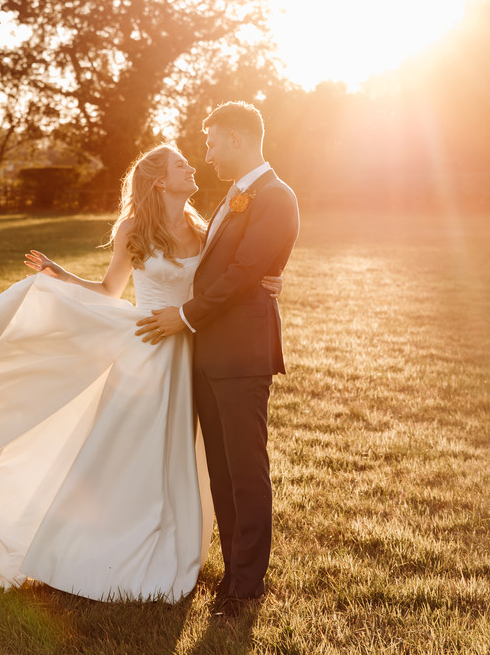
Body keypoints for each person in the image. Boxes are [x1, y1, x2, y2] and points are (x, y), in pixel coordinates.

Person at [0, 142, 281, 603]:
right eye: (181, 164)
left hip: (190, 354)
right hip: (145, 352)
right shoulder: (134, 228)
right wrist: (61, 276)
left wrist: (271, 278)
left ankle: (170, 546)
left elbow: (230, 277)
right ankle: (93, 552)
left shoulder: (202, 227)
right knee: (129, 455)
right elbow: (109, 289)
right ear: (160, 180)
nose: (193, 167)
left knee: (181, 459)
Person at [136, 101, 299, 615]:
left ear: (234, 138)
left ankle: (246, 585)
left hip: (242, 354)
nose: (205, 154)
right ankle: (232, 572)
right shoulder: (235, 196)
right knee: (221, 470)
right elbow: (220, 264)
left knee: (245, 468)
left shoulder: (276, 197)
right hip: (210, 353)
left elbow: (245, 272)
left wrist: (183, 316)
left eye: (210, 144)